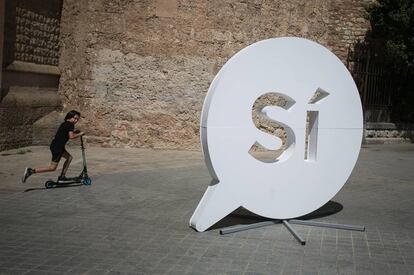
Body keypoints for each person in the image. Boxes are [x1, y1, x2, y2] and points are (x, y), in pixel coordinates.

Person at [22, 110, 85, 183]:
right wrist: (80, 134)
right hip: (58, 147)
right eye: (75, 118)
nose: (76, 120)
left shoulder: (65, 123)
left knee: (69, 158)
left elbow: (66, 134)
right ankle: (31, 171)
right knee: (52, 168)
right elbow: (71, 137)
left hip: (56, 145)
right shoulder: (70, 124)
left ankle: (62, 176)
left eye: (77, 119)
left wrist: (75, 132)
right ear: (70, 117)